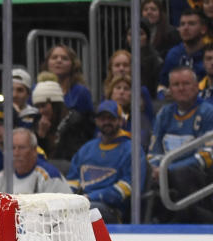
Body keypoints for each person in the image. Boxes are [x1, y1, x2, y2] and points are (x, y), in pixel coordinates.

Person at [148, 65, 213, 222]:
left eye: (186, 84)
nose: (181, 88)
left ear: (197, 86)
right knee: (141, 172)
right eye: (176, 85)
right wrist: (156, 168)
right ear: (170, 90)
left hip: (200, 176)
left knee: (182, 175)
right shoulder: (164, 114)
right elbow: (153, 151)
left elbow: (207, 155)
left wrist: (167, 169)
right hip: (165, 174)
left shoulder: (208, 112)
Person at [66, 100, 147, 224]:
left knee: (87, 211)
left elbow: (128, 187)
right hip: (81, 204)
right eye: (102, 118)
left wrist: (89, 198)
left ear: (120, 121)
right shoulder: (87, 148)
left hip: (113, 210)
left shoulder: (132, 149)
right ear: (96, 121)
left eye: (111, 118)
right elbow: (72, 181)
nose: (106, 122)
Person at [32, 79, 95, 168]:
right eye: (38, 107)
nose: (41, 111)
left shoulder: (76, 122)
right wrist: (41, 136)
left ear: (55, 104)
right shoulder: (38, 122)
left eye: (43, 106)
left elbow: (72, 157)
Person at [0, 127, 72, 194]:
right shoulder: (0, 178)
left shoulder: (49, 177)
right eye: (12, 148)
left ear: (34, 151)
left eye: (22, 148)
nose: (16, 153)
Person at [158, 8, 209, 97]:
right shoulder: (173, 54)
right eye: (182, 24)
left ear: (203, 29)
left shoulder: (210, 55)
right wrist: (163, 94)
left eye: (191, 24)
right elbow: (162, 85)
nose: (185, 28)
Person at [41, 44, 94, 115]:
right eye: (54, 57)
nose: (59, 61)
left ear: (73, 64)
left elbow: (90, 122)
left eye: (64, 58)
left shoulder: (81, 92)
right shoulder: (38, 89)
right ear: (47, 63)